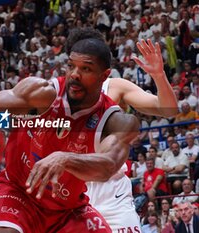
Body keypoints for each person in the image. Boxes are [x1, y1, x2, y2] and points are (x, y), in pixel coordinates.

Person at [0, 29, 139, 232]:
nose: (75, 74)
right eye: (71, 66)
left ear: (104, 76)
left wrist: (64, 158)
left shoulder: (115, 121)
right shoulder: (42, 93)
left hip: (67, 209)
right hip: (18, 193)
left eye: (85, 69)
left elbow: (108, 167)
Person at [64, 28, 177, 232]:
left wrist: (159, 76)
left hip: (112, 190)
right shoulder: (56, 93)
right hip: (73, 192)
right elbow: (9, 121)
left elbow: (168, 110)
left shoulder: (114, 86)